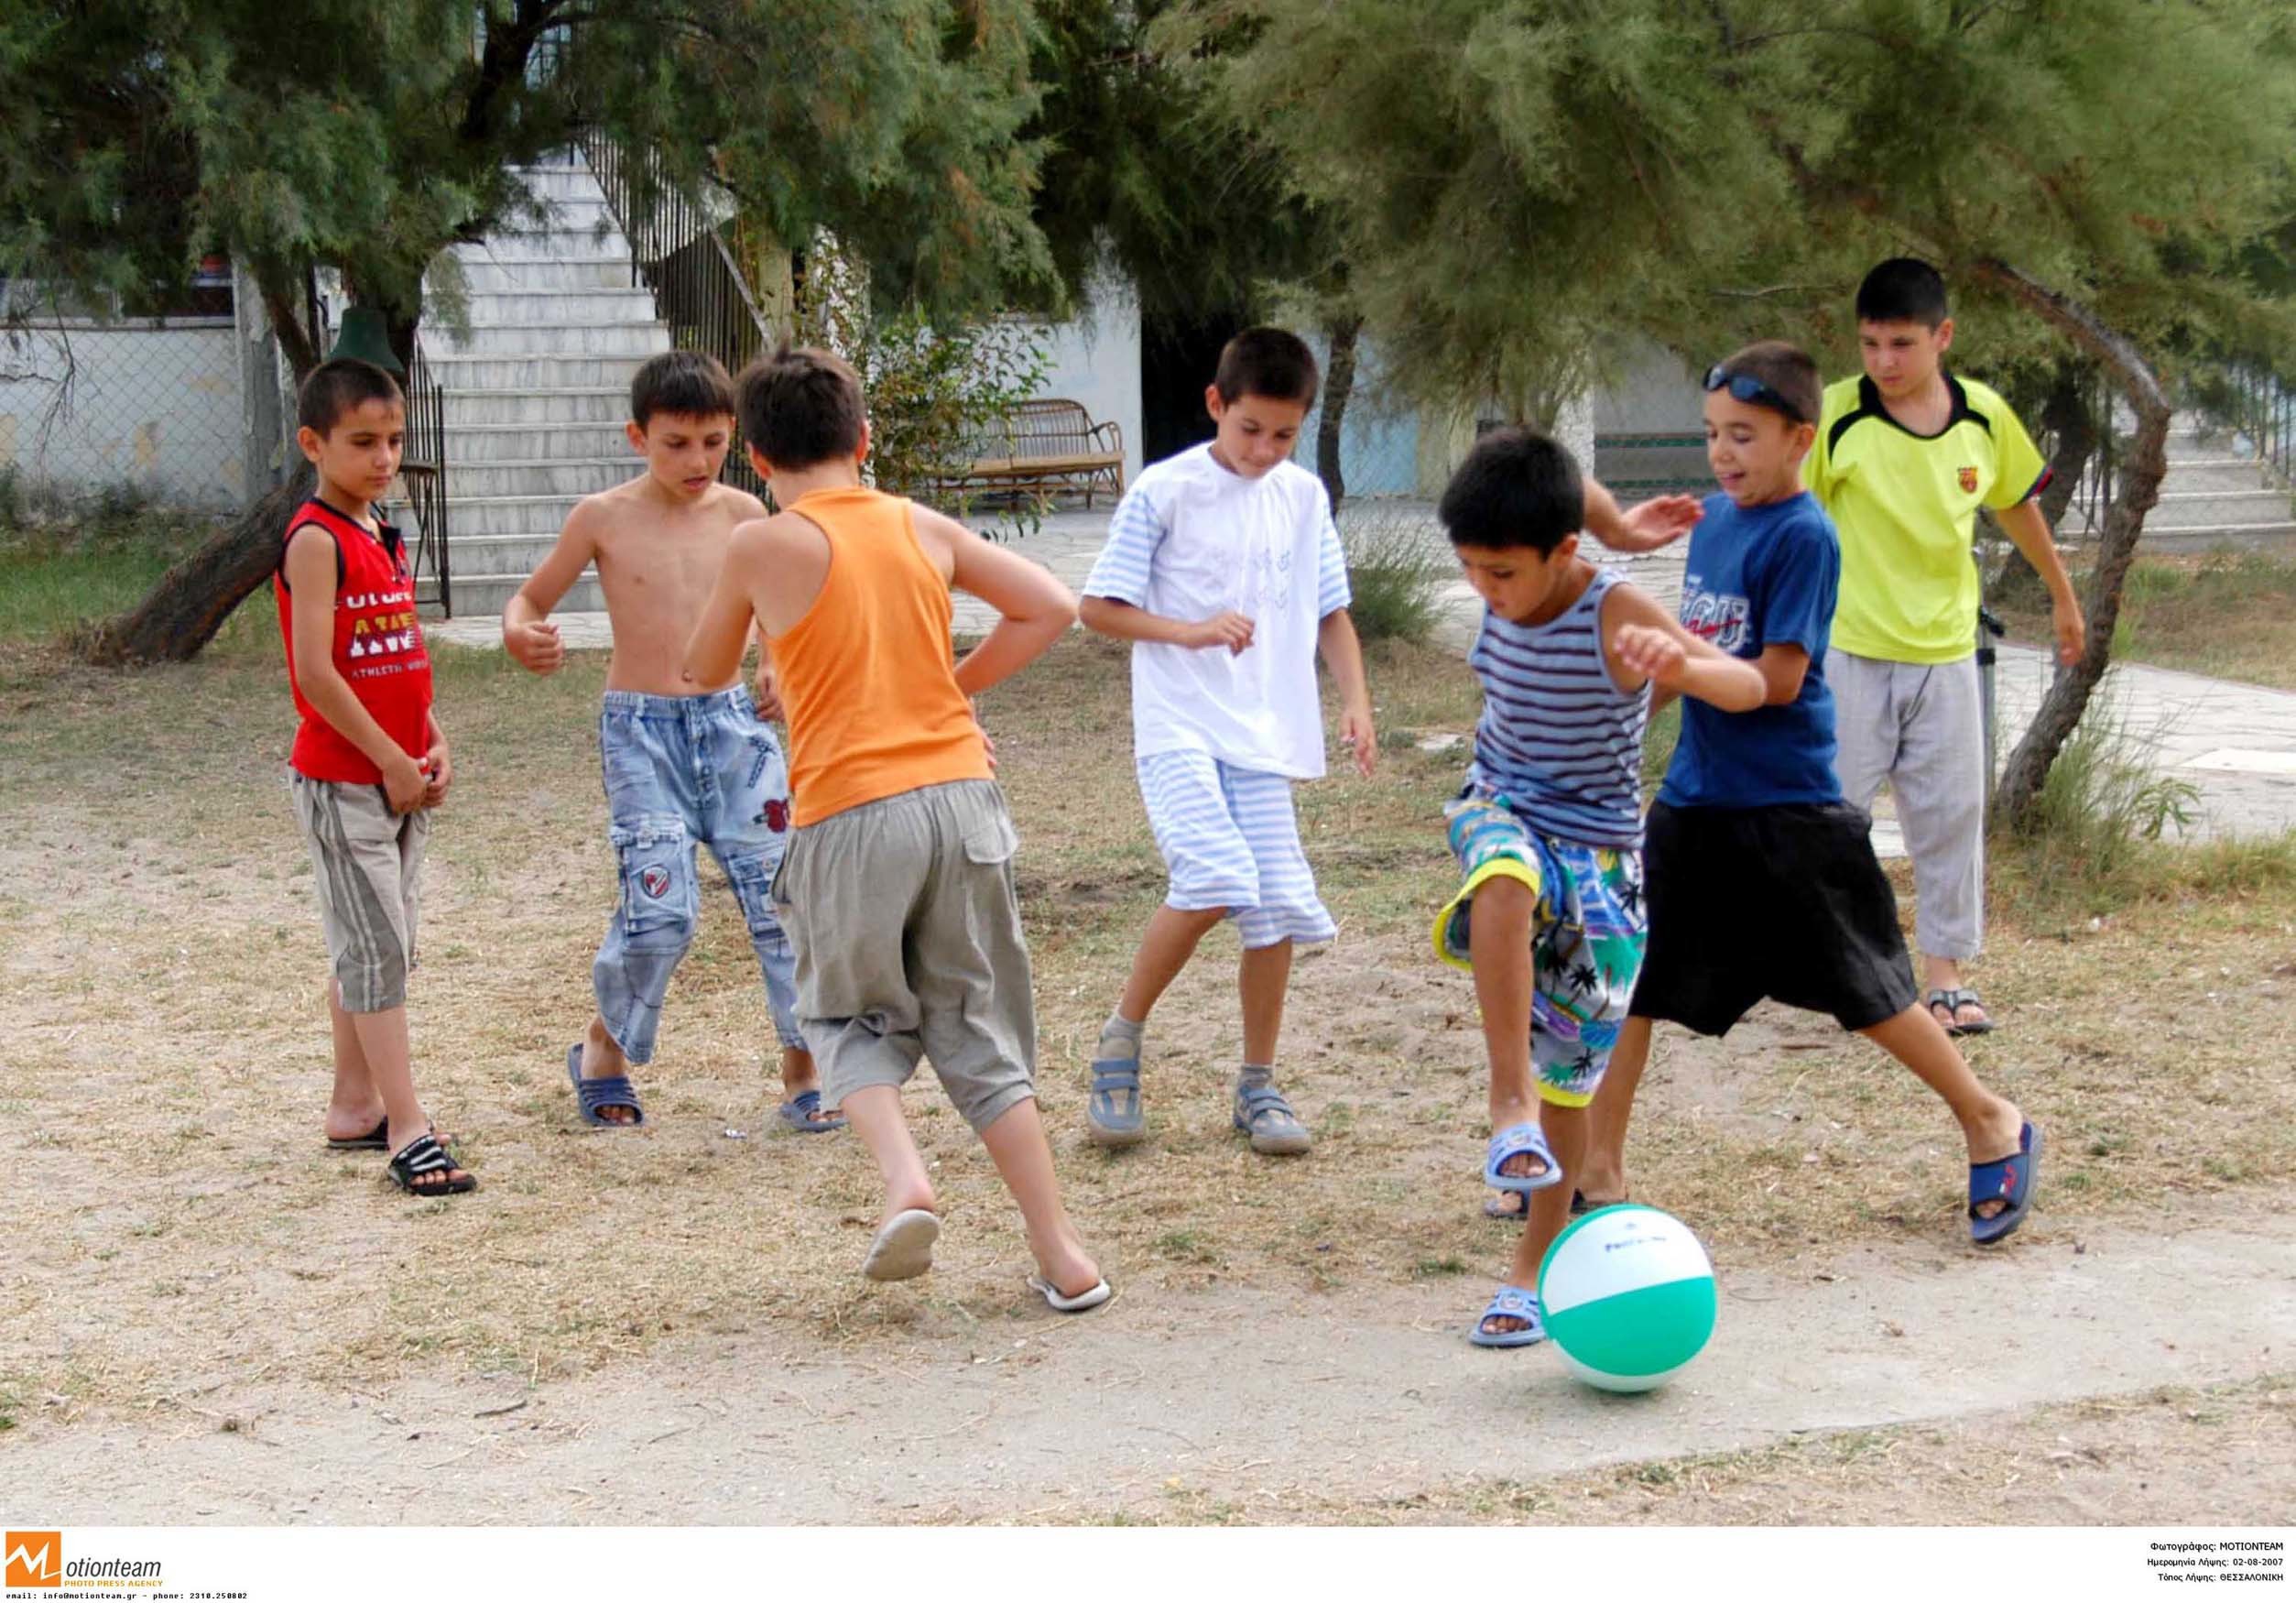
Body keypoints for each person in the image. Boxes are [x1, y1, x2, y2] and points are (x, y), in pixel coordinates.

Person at [1576, 343, 2042, 1251]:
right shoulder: (1713, 523)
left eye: (1742, 436)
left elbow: (1779, 678)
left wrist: (1679, 666)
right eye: (1712, 434)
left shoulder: (1802, 534)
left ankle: (1991, 1120)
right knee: (1627, 984)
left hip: (1787, 807)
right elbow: (1691, 643)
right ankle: (1597, 1171)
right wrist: (1629, 699)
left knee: (1866, 993)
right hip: (1692, 800)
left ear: (1800, 438)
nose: (1722, 453)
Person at [682, 344, 1108, 1312]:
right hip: (961, 797)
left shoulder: (758, 541)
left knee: (840, 1011)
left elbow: (700, 672)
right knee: (976, 1022)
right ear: (862, 440)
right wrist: (946, 689)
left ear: (756, 457)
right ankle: (1061, 1252)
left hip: (848, 812)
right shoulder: (921, 523)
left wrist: (766, 663)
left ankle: (905, 1179)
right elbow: (1048, 606)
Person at [1431, 426, 1767, 1347]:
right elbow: (1549, 471)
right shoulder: (1530, 534)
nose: (1482, 591)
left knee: (1571, 1085)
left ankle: (1530, 1271)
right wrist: (1619, 517)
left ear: (1561, 553)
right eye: (1468, 568)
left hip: (1603, 859)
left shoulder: (1615, 614)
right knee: (1501, 873)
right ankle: (1507, 1105)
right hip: (1499, 801)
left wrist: (1681, 665)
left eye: (1499, 574)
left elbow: (1744, 686)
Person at [502, 352, 836, 1134]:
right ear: (637, 436)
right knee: (661, 913)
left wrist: (776, 667)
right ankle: (602, 1050)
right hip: (641, 734)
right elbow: (529, 597)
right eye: (676, 442)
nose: (696, 460)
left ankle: (804, 1070)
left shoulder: (748, 518)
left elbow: (777, 618)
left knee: (780, 900)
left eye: (714, 442)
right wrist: (522, 632)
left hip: (735, 735)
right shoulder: (602, 516)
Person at [1072, 328, 1377, 1156]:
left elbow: (1330, 611)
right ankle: (1119, 1041)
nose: (1264, 450)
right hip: (1177, 724)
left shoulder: (1303, 497)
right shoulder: (1165, 491)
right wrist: (1192, 631)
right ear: (1216, 404)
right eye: (1249, 430)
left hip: (1261, 733)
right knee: (1213, 874)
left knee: (1272, 901)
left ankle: (1257, 1084)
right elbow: (1098, 608)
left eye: (1283, 435)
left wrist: (1354, 702)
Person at [1806, 258, 2085, 1036]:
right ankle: (1842, 970)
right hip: (1850, 650)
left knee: (1949, 817)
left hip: (1945, 654)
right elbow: (1787, 516)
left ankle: (1947, 979)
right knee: (1833, 820)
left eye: (1900, 343)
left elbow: (2016, 505)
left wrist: (2062, 599)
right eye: (1869, 344)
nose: (1883, 362)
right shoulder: (1834, 416)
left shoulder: (1983, 416)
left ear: (1942, 337)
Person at [276, 357, 474, 1197]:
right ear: (314, 443)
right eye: (363, 442)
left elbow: (400, 656)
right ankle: (407, 1125)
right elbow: (315, 673)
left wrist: (428, 740)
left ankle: (354, 1104)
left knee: (379, 945)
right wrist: (386, 759)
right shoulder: (316, 539)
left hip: (400, 778)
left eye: (394, 440)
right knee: (379, 952)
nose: (384, 458)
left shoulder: (379, 531)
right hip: (348, 781)